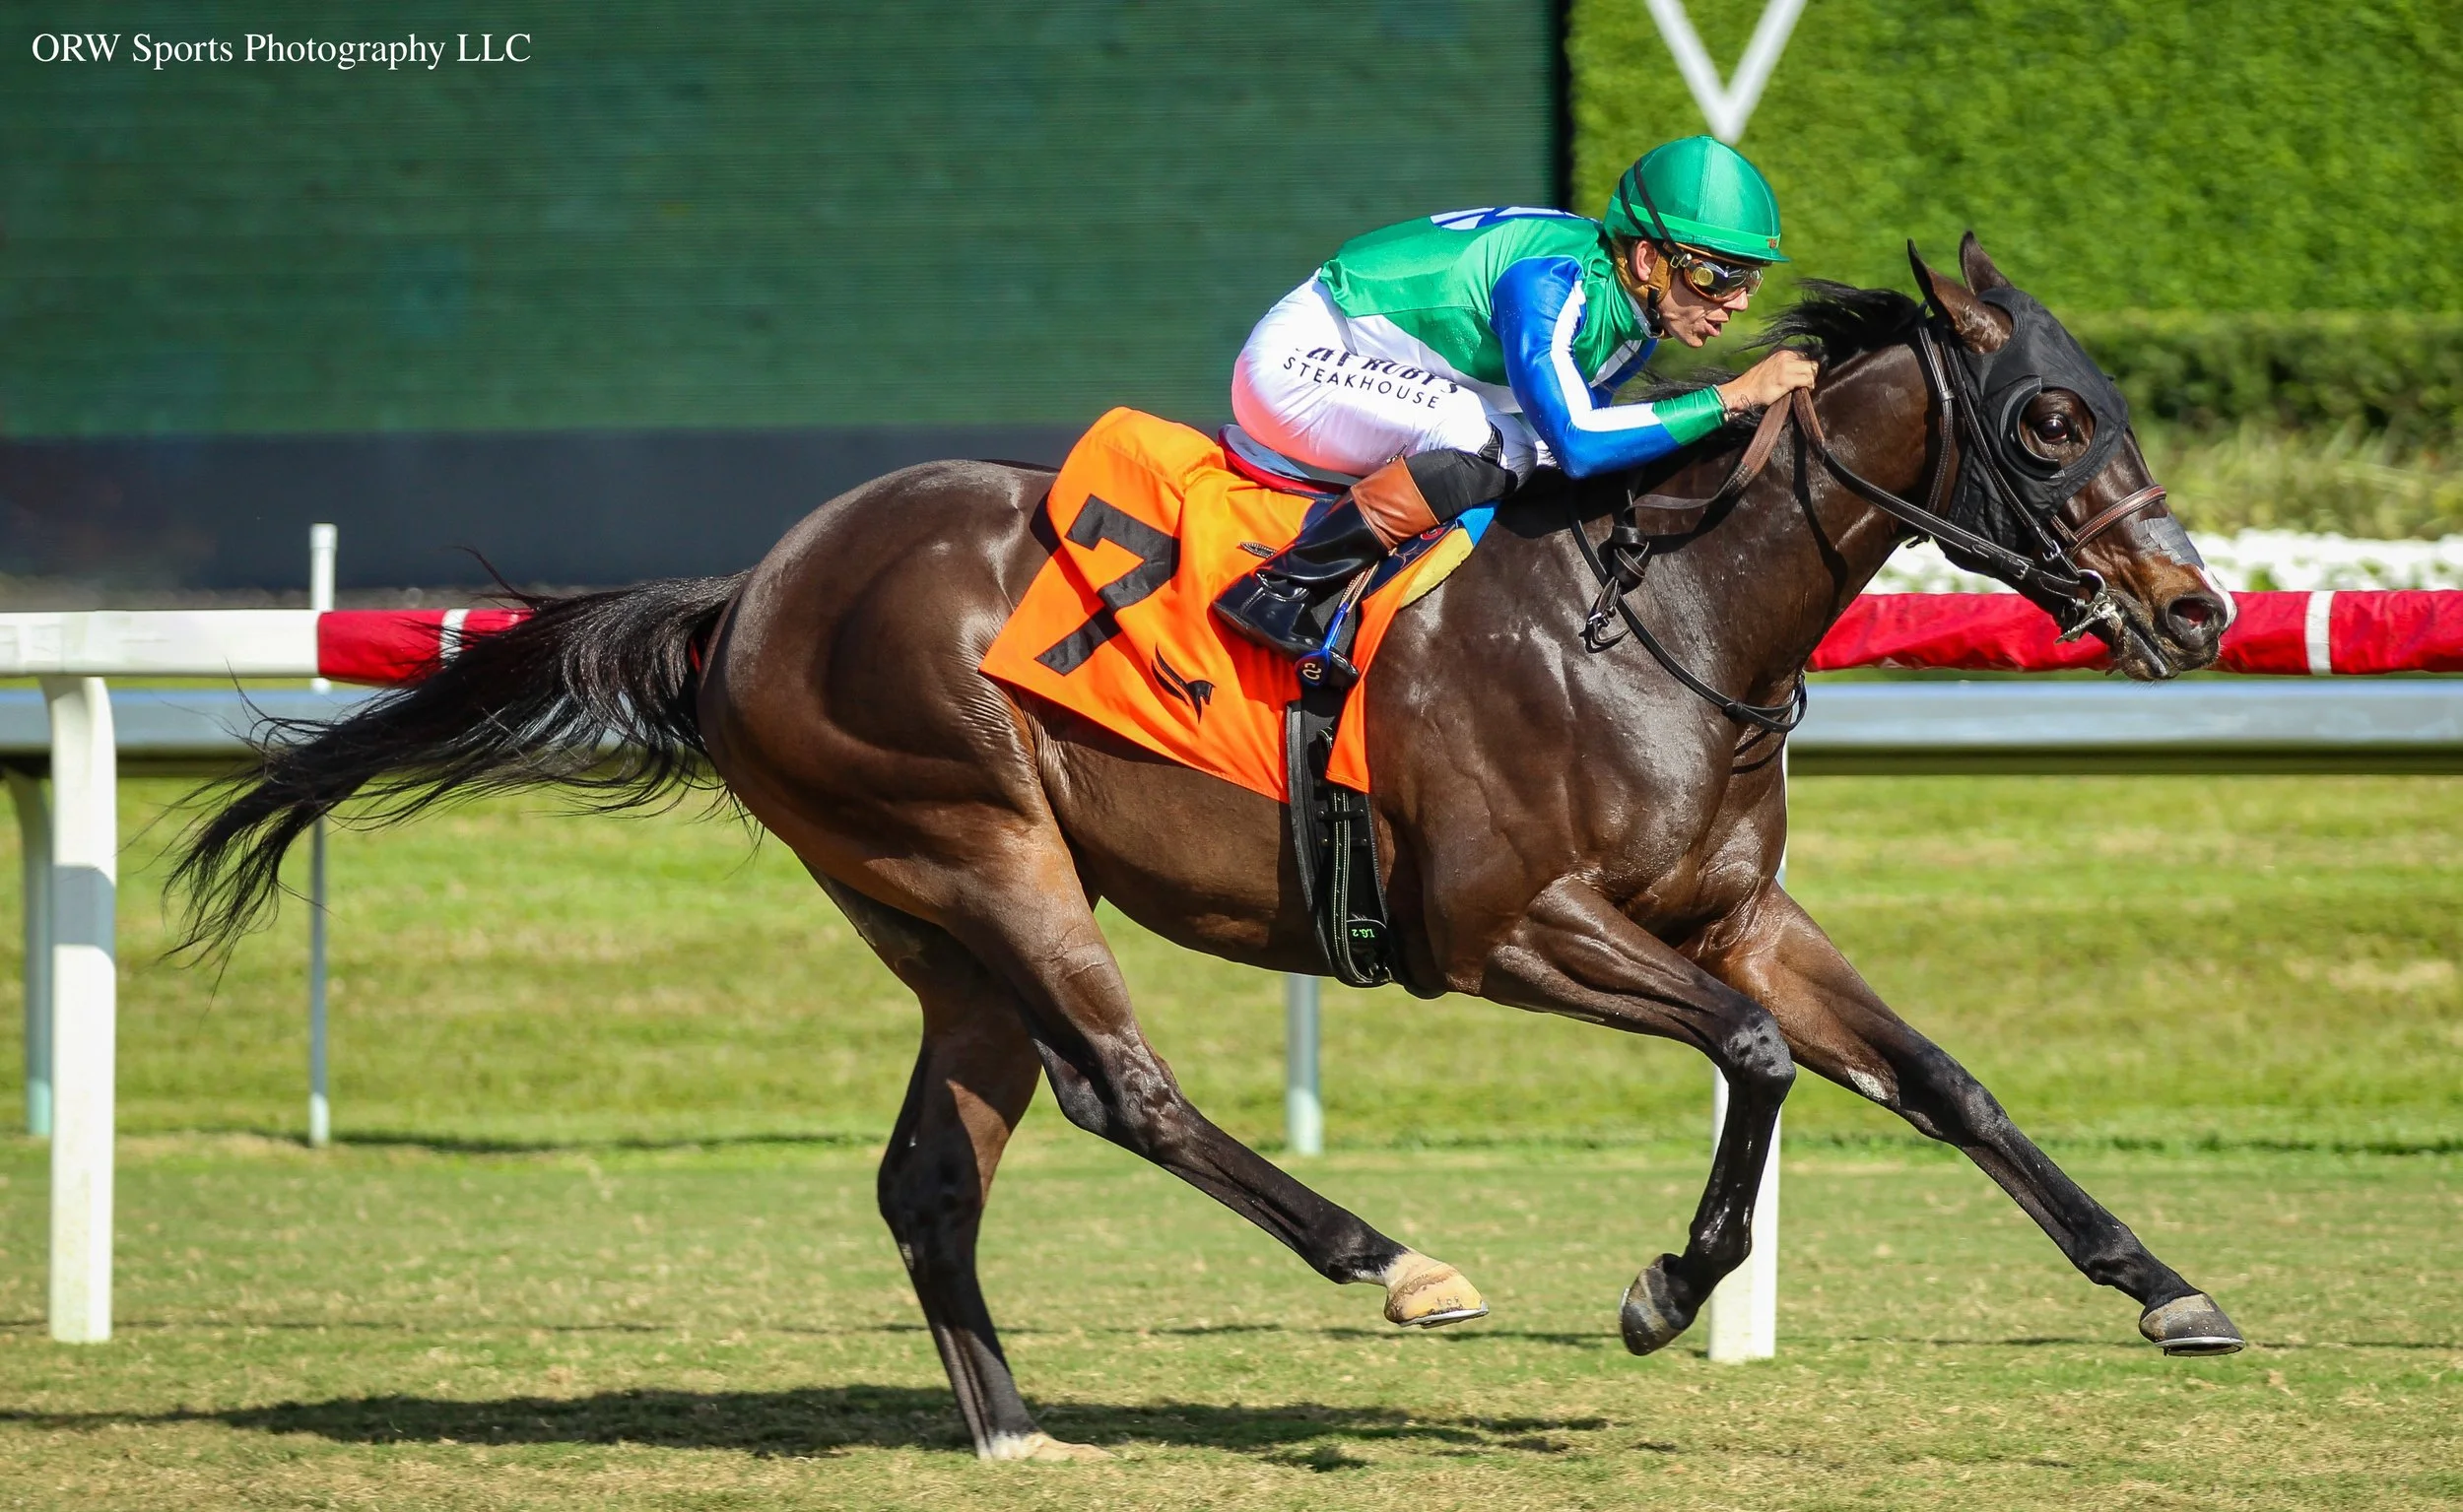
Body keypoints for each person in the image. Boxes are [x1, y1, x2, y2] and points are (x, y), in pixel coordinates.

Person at [1214, 135, 1822, 658]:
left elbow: (1578, 454)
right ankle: (1280, 588)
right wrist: (1732, 398)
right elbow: (1581, 443)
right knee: (1494, 442)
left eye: (1750, 279)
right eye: (1717, 276)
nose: (1739, 301)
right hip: (1297, 360)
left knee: (1529, 454)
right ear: (1647, 258)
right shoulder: (1551, 282)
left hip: (1377, 368)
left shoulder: (1632, 328)